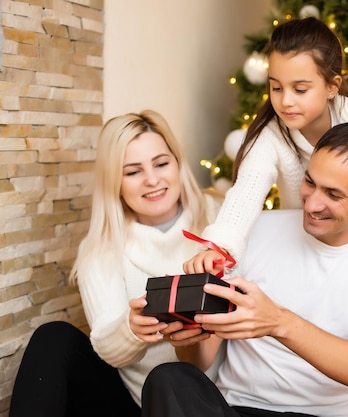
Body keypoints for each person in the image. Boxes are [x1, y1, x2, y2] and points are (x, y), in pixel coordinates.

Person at [142, 122, 348, 417]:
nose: (312, 203)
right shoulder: (258, 228)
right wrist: (187, 332)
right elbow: (200, 361)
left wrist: (279, 322)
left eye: (333, 195)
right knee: (168, 379)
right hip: (235, 409)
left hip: (321, 414)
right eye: (310, 182)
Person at [9, 110, 220, 417]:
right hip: (133, 402)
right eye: (133, 172)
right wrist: (131, 328)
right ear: (115, 183)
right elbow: (107, 348)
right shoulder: (102, 247)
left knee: (174, 379)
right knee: (53, 337)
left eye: (161, 163)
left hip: (201, 398)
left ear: (177, 163)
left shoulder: (220, 223)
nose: (152, 179)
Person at [184, 17, 348, 274]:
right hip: (309, 247)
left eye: (300, 89)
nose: (285, 101)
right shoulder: (269, 138)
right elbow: (246, 193)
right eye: (276, 87)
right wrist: (218, 248)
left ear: (332, 86)